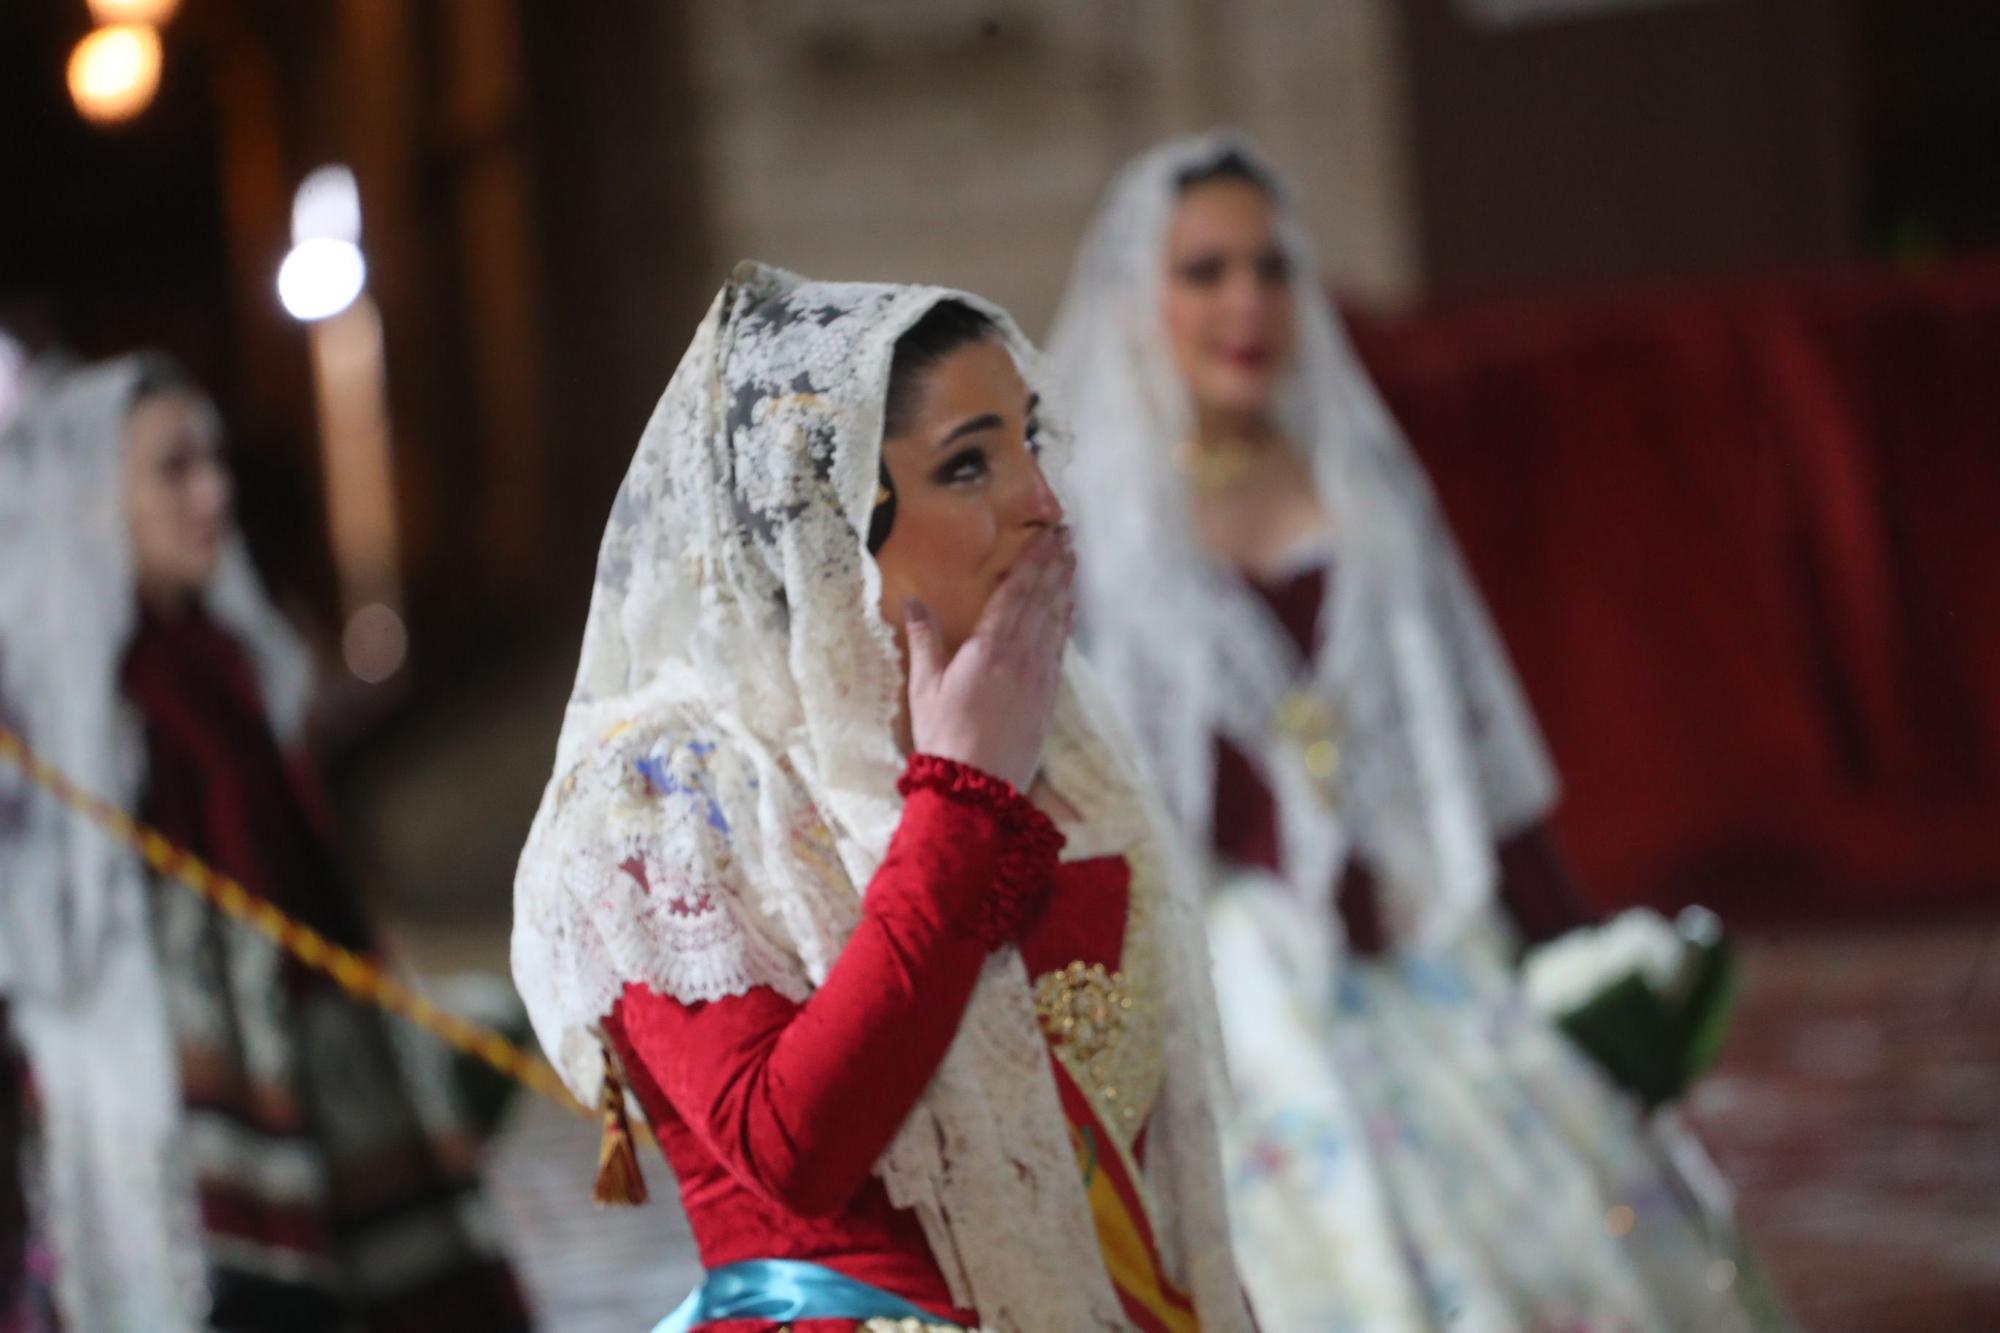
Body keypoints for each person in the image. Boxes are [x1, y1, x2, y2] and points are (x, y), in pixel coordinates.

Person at [1048, 132, 1786, 1331]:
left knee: (1589, 1236)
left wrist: (1582, 958)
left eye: (1271, 269)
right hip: (1231, 991)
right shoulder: (1097, 534)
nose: (1245, 302)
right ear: (1139, 301)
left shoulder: (1362, 495)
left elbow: (1473, 761)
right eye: (1204, 272)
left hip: (1423, 950)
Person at [511, 262, 1255, 1332]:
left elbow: (1144, 1200)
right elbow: (792, 1148)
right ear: (819, 518)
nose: (1040, 505)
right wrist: (961, 801)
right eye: (965, 465)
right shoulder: (658, 795)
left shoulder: (1060, 742)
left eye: (1028, 443)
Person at [0, 354, 530, 1331]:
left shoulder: (228, 661)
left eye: (215, 462)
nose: (214, 491)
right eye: (174, 467)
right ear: (88, 492)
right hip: (166, 1108)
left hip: (319, 1079)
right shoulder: (71, 704)